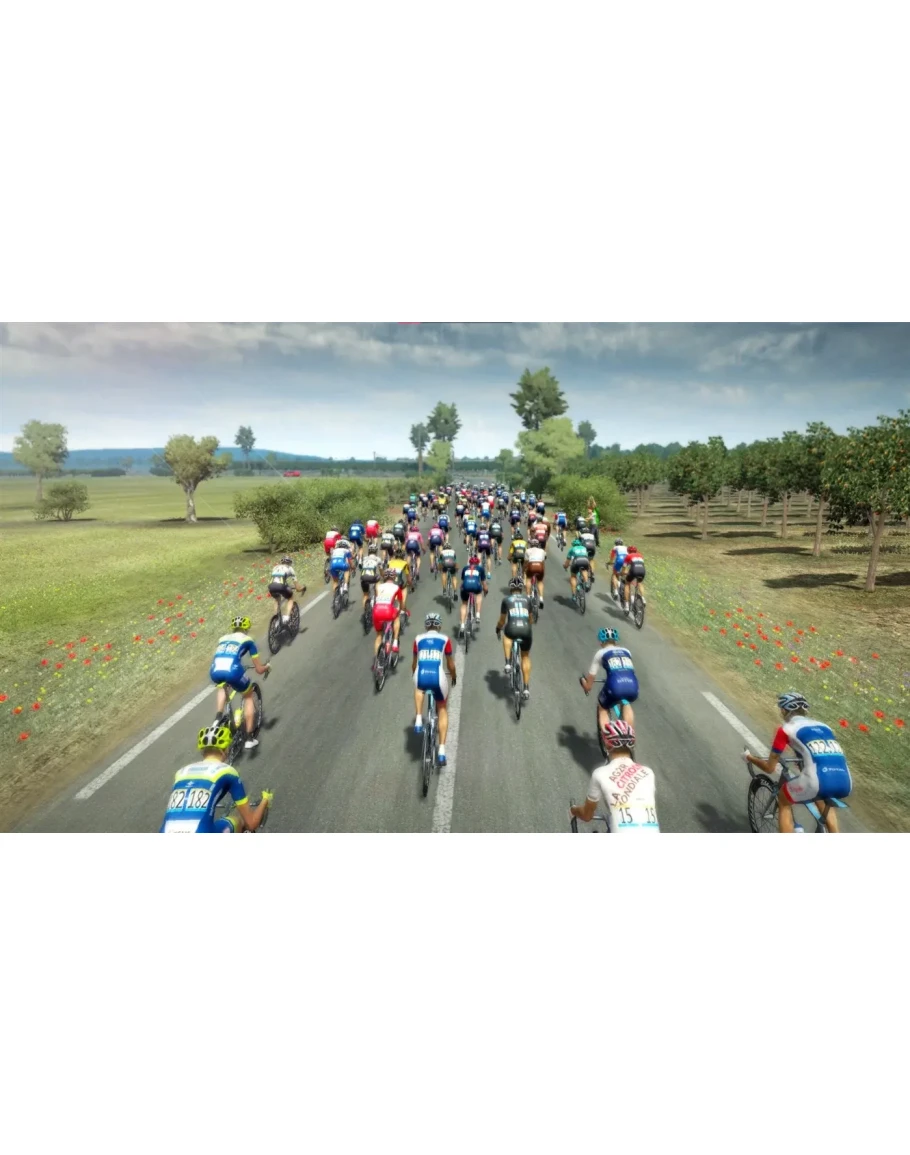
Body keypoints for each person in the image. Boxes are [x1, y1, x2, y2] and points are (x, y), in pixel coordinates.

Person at [744, 692, 853, 833]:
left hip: (818, 781)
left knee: (783, 800)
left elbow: (770, 768)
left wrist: (749, 757)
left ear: (785, 710)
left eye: (781, 709)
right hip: (845, 781)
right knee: (822, 797)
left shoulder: (786, 729)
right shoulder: (825, 727)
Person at [160, 725, 273, 833]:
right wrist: (265, 800)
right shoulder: (227, 771)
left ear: (202, 751)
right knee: (237, 821)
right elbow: (252, 823)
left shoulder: (181, 772)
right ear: (225, 749)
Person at [570, 720, 659, 832]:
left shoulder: (600, 774)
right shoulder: (648, 772)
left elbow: (586, 816)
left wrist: (573, 810)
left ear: (607, 744)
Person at [208, 616, 271, 750]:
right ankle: (249, 738)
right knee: (248, 696)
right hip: (233, 671)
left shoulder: (223, 639)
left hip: (215, 670)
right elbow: (259, 669)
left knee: (222, 686)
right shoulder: (248, 640)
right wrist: (266, 667)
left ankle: (218, 718)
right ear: (246, 628)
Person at [412, 613, 458, 767]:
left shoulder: (418, 639)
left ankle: (419, 719)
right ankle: (442, 751)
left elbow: (414, 664)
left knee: (419, 688)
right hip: (438, 678)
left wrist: (414, 674)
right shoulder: (445, 639)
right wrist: (454, 675)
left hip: (421, 675)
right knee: (442, 707)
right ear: (439, 625)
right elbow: (450, 664)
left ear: (426, 625)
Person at [579, 627, 638, 733]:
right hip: (633, 685)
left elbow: (589, 685)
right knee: (626, 703)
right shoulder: (627, 651)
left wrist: (584, 682)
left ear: (601, 642)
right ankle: (630, 734)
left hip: (615, 686)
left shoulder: (600, 653)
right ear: (616, 641)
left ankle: (608, 736)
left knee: (603, 707)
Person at [495, 577, 532, 700]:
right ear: (521, 588)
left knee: (507, 635)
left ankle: (507, 663)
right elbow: (531, 620)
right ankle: (526, 688)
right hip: (526, 630)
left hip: (512, 628)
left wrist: (498, 628)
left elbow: (502, 620)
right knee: (525, 657)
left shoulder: (506, 600)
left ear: (510, 588)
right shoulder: (528, 600)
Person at [372, 568, 405, 661]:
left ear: (384, 577)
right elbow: (400, 602)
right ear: (394, 577)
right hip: (388, 611)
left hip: (377, 611)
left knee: (379, 635)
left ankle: (377, 660)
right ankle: (395, 642)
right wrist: (402, 610)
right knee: (397, 617)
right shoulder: (396, 587)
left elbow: (377, 598)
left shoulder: (378, 586)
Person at [267, 555, 307, 626]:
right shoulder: (290, 568)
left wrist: (287, 586)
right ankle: (286, 617)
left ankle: (276, 620)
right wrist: (303, 588)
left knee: (277, 599)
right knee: (290, 598)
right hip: (281, 586)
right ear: (289, 563)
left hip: (271, 586)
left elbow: (277, 580)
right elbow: (297, 588)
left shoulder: (275, 567)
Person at [459, 554, 488, 635]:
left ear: (469, 563)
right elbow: (484, 583)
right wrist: (485, 590)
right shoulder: (480, 568)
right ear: (478, 563)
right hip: (475, 586)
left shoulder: (465, 568)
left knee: (464, 604)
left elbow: (463, 579)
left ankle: (462, 625)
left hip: (465, 587)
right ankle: (478, 614)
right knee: (479, 594)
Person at [563, 536, 592, 602]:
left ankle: (574, 595)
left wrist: (565, 566)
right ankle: (586, 583)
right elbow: (587, 556)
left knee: (573, 577)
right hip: (585, 560)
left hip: (576, 561)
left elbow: (567, 562)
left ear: (573, 544)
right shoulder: (584, 548)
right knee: (584, 570)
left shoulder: (572, 549)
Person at [620, 546, 647, 616]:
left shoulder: (628, 556)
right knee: (640, 583)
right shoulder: (640, 555)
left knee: (627, 584)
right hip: (642, 570)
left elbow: (624, 567)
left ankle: (626, 606)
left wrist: (622, 573)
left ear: (628, 551)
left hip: (634, 570)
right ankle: (643, 598)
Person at [360, 542, 383, 612]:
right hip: (372, 577)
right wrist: (383, 577)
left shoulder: (364, 558)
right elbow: (381, 571)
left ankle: (365, 612)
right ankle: (378, 598)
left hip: (363, 577)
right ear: (376, 551)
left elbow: (361, 568)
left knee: (365, 595)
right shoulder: (378, 559)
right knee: (378, 579)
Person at [387, 546, 411, 613]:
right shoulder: (405, 563)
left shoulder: (390, 562)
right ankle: (402, 605)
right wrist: (411, 585)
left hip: (389, 583)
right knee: (404, 587)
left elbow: (386, 573)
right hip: (398, 583)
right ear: (403, 556)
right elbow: (408, 578)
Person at [525, 539, 547, 609]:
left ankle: (528, 596)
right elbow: (543, 561)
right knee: (540, 581)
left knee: (528, 579)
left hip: (531, 565)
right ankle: (541, 598)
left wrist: (524, 570)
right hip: (540, 566)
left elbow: (526, 562)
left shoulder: (528, 550)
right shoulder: (542, 551)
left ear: (531, 545)